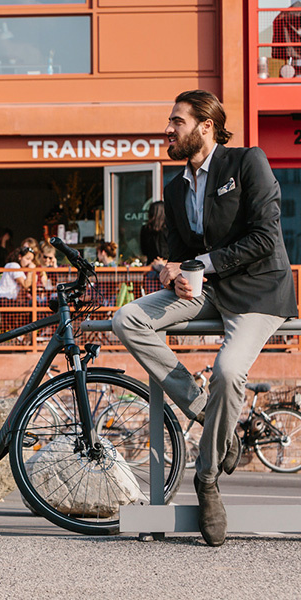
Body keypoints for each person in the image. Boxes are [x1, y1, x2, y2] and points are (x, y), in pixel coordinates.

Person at [112, 90, 297, 547]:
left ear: (206, 126)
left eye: (177, 121)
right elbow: (180, 257)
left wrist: (197, 266)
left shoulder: (247, 162)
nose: (168, 129)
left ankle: (208, 478)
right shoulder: (174, 188)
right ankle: (211, 418)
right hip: (206, 291)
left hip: (257, 291)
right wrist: (169, 270)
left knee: (229, 371)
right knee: (126, 320)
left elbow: (264, 237)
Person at [140, 200, 169, 266]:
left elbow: (144, 250)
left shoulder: (146, 229)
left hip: (151, 265)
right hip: (167, 265)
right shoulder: (168, 229)